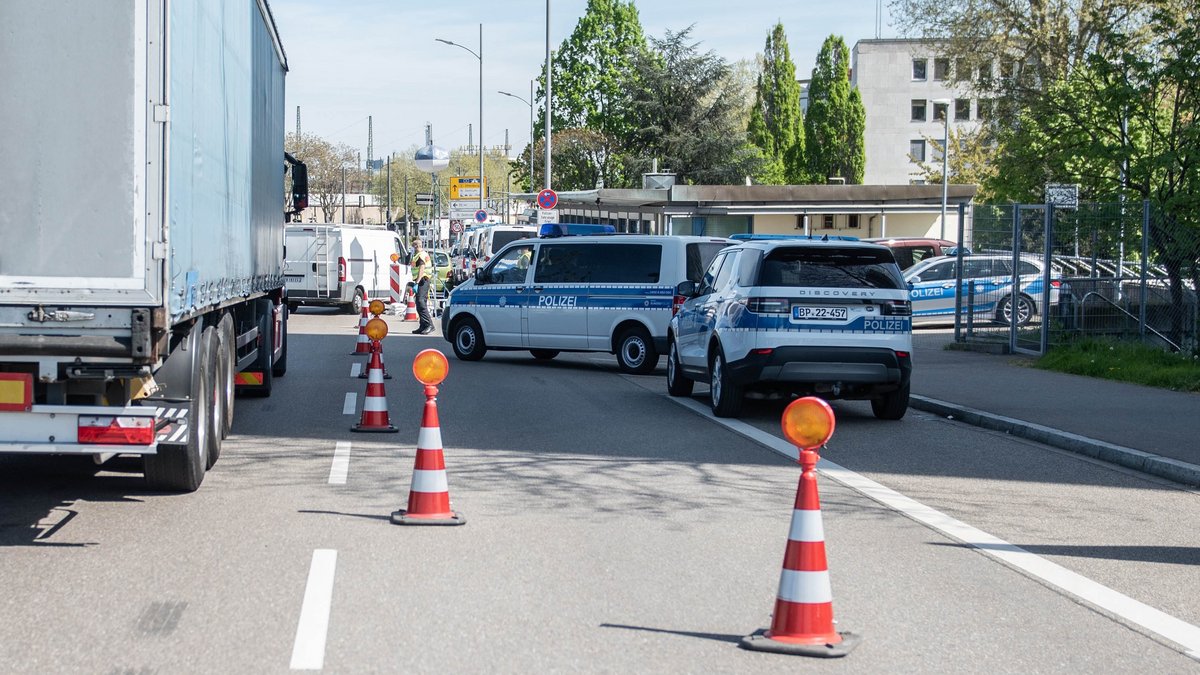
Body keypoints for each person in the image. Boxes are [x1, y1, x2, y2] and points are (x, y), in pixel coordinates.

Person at [409, 238, 434, 334]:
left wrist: (417, 282)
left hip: (423, 280)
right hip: (421, 281)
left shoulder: (421, 255)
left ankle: (429, 325)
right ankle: (423, 325)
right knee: (419, 303)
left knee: (420, 302)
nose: (412, 249)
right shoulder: (418, 255)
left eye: (413, 247)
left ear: (417, 246)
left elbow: (421, 268)